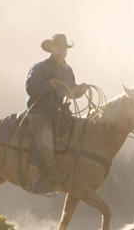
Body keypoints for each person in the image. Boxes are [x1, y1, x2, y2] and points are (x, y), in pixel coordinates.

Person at [25, 33, 89, 185]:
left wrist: (80, 90)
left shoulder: (68, 71)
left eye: (64, 48)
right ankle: (45, 177)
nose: (62, 51)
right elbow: (30, 88)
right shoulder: (40, 68)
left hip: (58, 113)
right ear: (52, 49)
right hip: (40, 112)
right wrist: (48, 84)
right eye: (59, 48)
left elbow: (71, 91)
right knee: (46, 141)